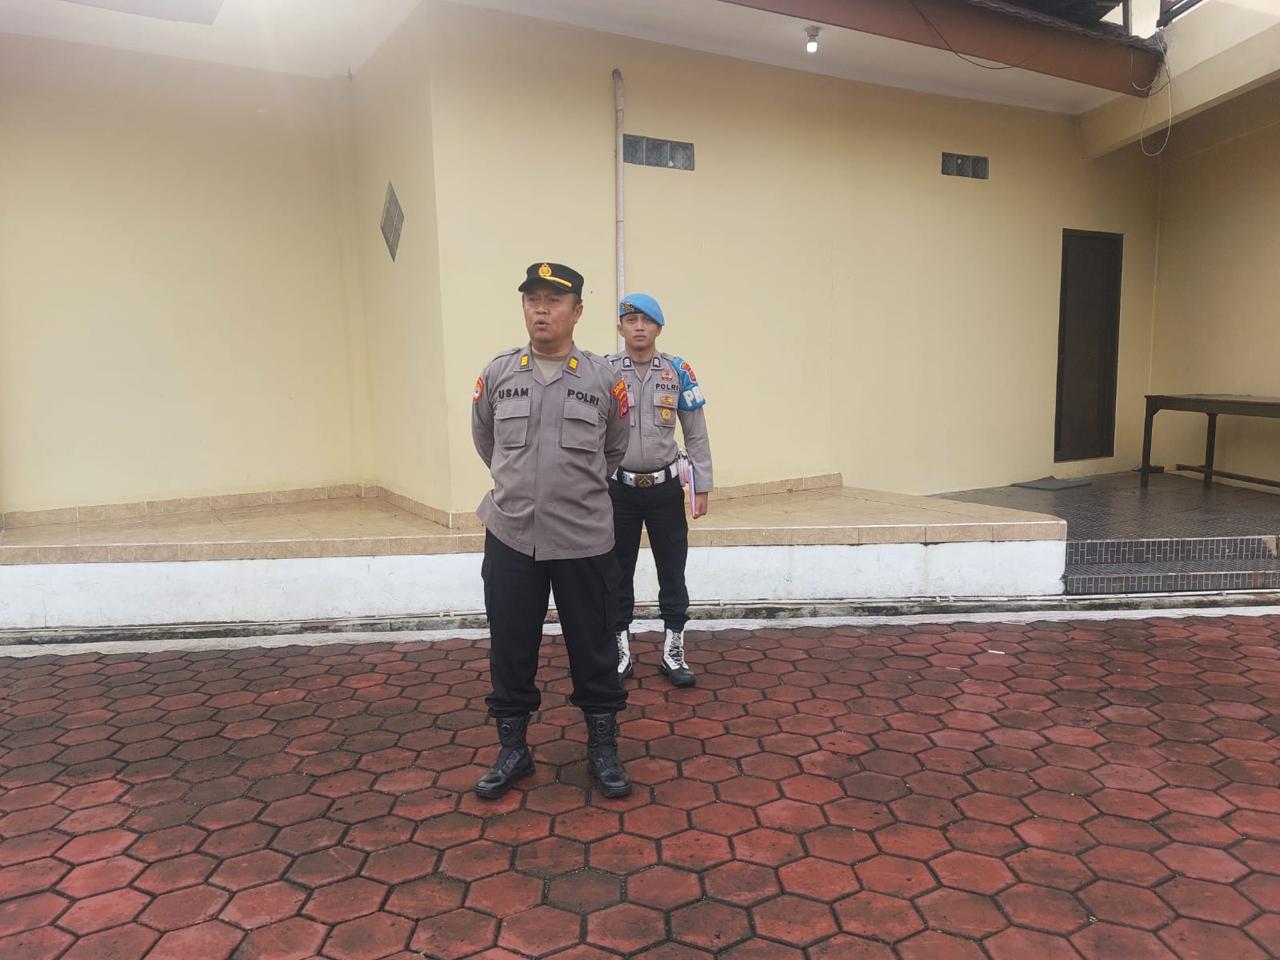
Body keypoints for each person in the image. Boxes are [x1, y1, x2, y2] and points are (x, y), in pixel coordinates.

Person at [470, 262, 632, 799]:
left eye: (554, 300)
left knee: (594, 646)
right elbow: (486, 441)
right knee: (510, 646)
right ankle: (513, 749)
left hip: (583, 537)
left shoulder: (603, 379)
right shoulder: (498, 374)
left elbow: (614, 447)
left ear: (577, 311)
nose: (541, 309)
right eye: (532, 299)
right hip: (512, 534)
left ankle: (602, 748)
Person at [607, 293, 712, 688]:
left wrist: (702, 485)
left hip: (665, 490)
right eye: (631, 320)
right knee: (616, 572)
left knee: (672, 569)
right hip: (618, 490)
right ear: (620, 328)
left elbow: (695, 432)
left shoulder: (677, 371)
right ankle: (619, 648)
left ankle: (674, 649)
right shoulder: (605, 372)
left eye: (647, 320)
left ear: (659, 328)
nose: (639, 327)